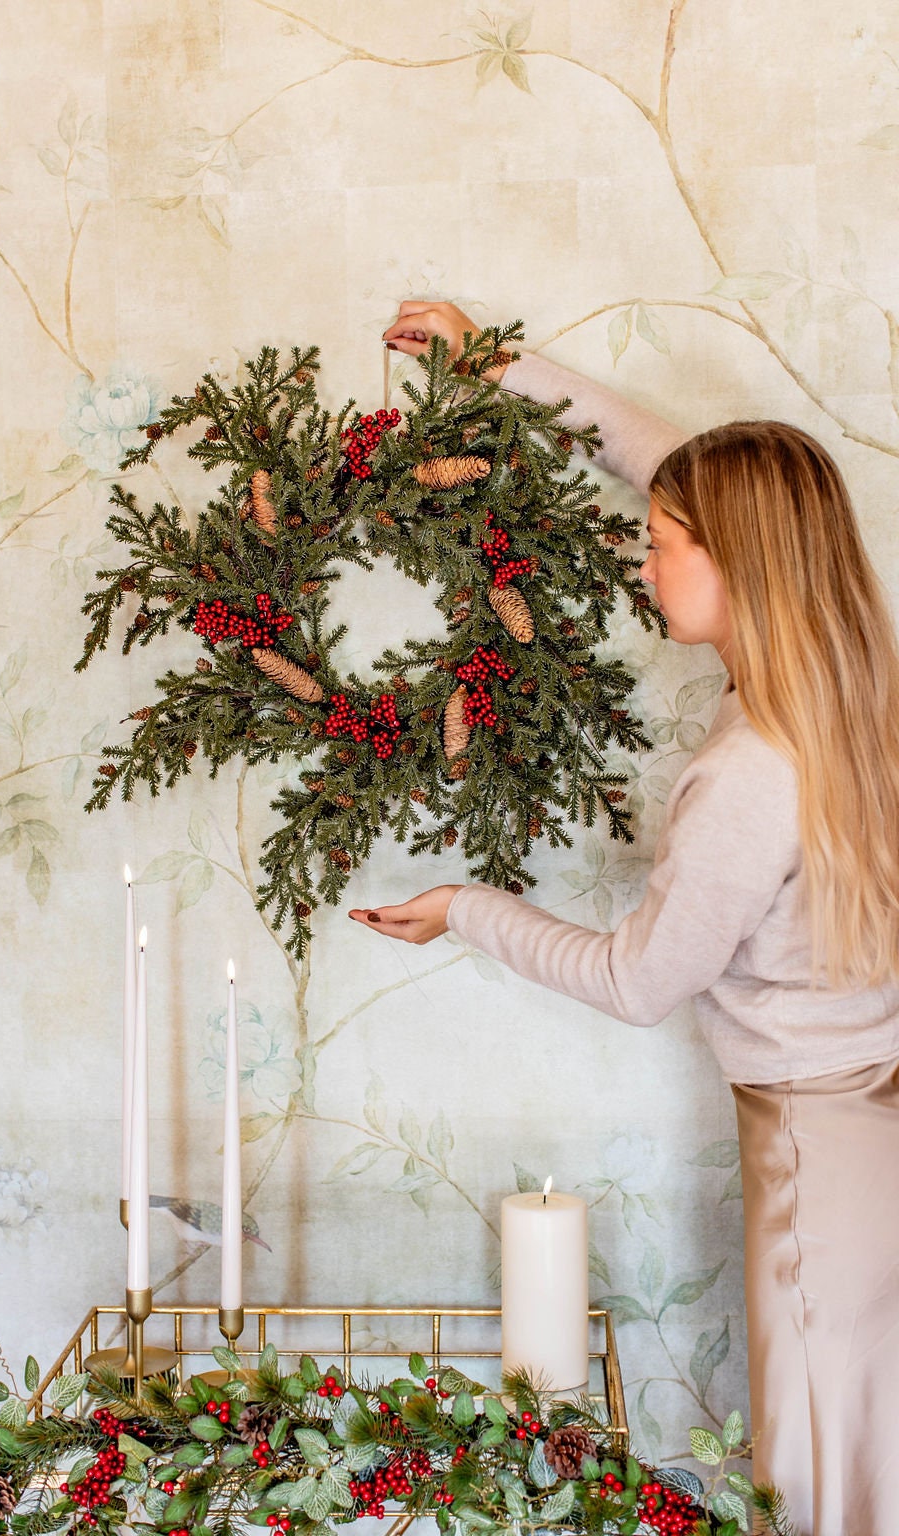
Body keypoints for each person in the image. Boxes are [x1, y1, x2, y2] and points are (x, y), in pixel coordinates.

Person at [349, 301, 899, 1536]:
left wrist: (466, 908)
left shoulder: (754, 768)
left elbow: (641, 981)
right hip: (867, 1132)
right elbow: (688, 470)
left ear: (738, 558)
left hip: (814, 1161)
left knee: (817, 1480)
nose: (637, 564)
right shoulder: (855, 675)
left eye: (658, 546)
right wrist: (502, 368)